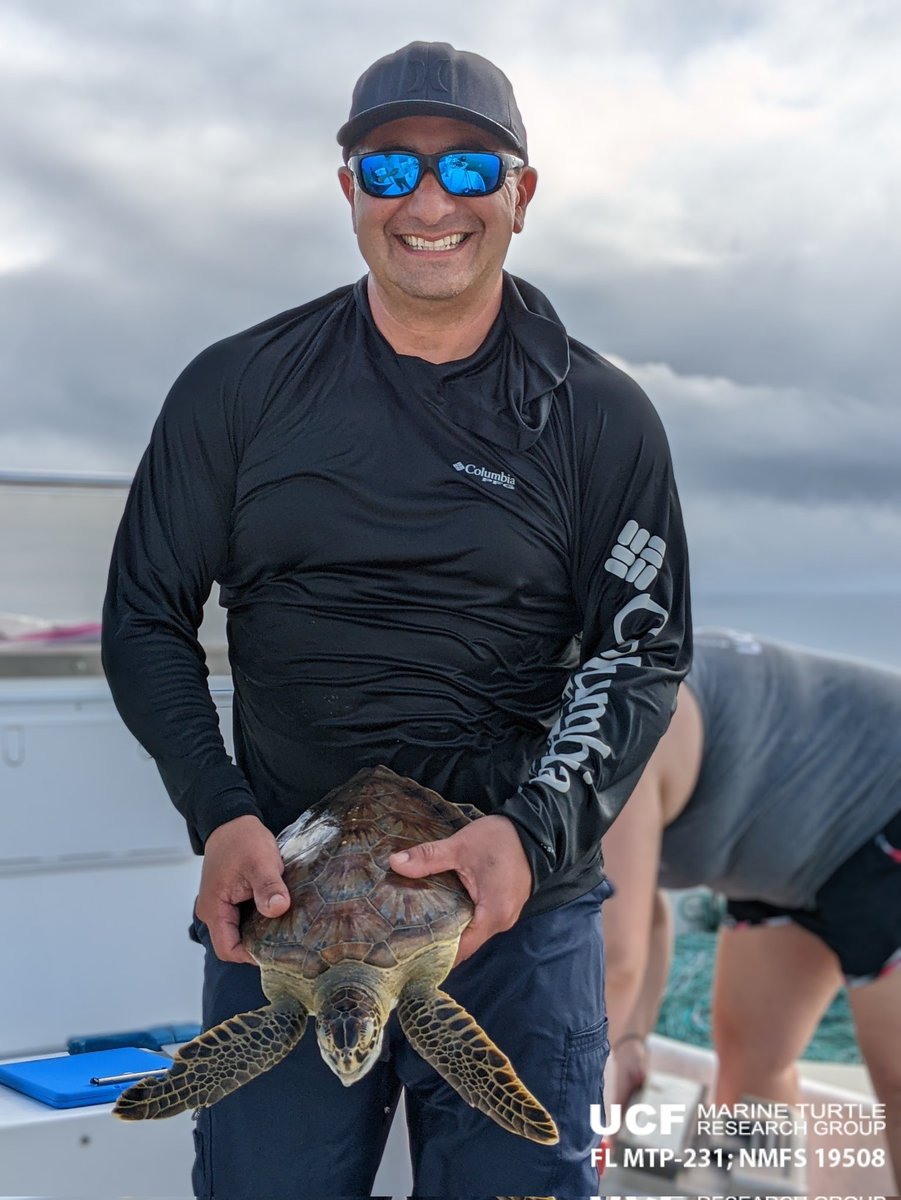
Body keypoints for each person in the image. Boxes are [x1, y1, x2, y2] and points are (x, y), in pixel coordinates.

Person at [102, 40, 691, 1199]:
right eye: (390, 169)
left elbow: (640, 651)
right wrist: (218, 814)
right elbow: (143, 617)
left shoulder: (601, 418)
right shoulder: (238, 389)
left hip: (516, 913)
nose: (430, 201)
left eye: (471, 171)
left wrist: (527, 833)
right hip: (286, 901)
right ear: (347, 192)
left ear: (521, 196)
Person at [602, 628, 901, 1191]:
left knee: (897, 1076)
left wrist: (580, 1096)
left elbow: (618, 958)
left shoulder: (616, 720)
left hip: (884, 812)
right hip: (782, 857)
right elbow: (637, 913)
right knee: (752, 1059)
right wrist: (631, 1042)